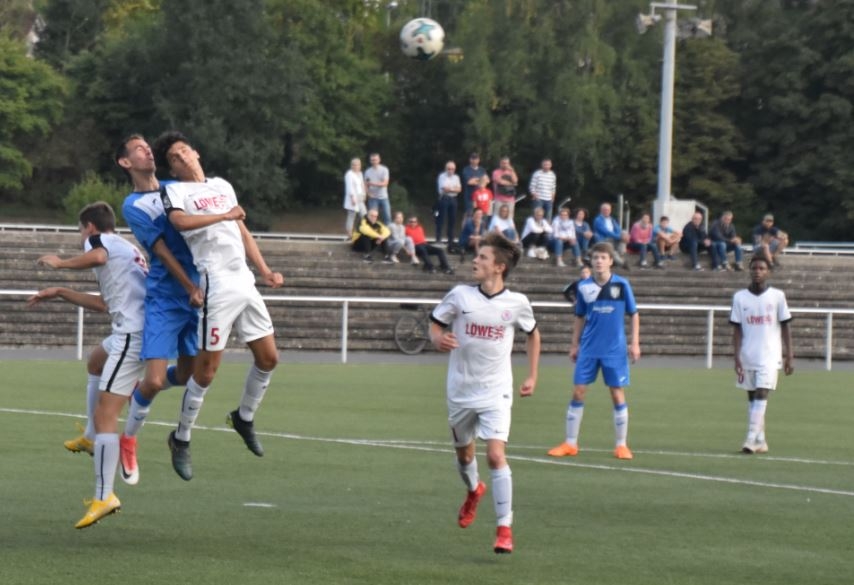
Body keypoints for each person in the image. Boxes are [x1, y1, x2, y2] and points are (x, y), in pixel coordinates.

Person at [154, 130, 284, 481]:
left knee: (269, 358)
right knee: (207, 371)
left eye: (184, 151)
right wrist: (223, 216)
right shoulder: (176, 191)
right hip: (217, 283)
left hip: (244, 280)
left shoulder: (222, 185)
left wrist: (265, 270)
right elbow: (179, 222)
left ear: (196, 153)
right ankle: (181, 438)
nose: (182, 158)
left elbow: (243, 231)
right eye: (174, 158)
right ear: (172, 169)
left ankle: (243, 417)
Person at [28, 202, 147, 528]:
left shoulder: (100, 243)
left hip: (133, 334)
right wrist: (60, 292)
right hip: (133, 329)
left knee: (106, 414)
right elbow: (105, 304)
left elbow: (97, 257)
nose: (81, 237)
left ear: (90, 227)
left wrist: (61, 263)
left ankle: (104, 496)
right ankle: (92, 436)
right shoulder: (126, 248)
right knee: (96, 361)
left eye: (81, 230)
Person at [430, 232, 540, 555]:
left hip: (496, 390)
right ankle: (474, 489)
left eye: (483, 258)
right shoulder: (460, 296)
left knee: (494, 455)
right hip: (461, 390)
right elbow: (435, 324)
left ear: (499, 267)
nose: (475, 261)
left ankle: (504, 528)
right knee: (465, 457)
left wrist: (532, 375)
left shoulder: (517, 304)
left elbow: (533, 335)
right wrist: (437, 339)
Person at [118, 134, 203, 486]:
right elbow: (162, 252)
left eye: (148, 147)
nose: (148, 151)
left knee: (187, 375)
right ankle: (128, 439)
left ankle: (138, 391)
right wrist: (189, 287)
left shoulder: (175, 187)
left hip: (198, 292)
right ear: (125, 162)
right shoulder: (132, 205)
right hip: (167, 296)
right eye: (139, 149)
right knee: (154, 381)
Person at [548, 241, 640, 461]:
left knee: (616, 393)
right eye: (596, 257)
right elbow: (579, 317)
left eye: (603, 258)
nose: (599, 261)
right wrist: (574, 344)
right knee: (578, 391)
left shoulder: (622, 285)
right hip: (589, 349)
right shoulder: (583, 287)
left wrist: (635, 343)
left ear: (611, 261)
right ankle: (570, 443)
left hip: (614, 350)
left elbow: (634, 314)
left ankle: (621, 445)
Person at [730, 255, 794, 454]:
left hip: (770, 356)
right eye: (754, 268)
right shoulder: (740, 297)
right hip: (748, 355)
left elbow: (785, 326)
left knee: (761, 393)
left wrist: (789, 355)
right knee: (752, 397)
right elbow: (737, 329)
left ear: (768, 272)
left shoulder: (777, 296)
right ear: (749, 271)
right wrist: (736, 356)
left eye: (761, 268)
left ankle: (750, 439)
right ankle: (761, 440)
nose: (757, 271)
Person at [592, 202, 629, 269]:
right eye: (605, 210)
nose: (607, 211)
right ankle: (622, 263)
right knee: (612, 250)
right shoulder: (598, 220)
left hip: (614, 238)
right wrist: (619, 237)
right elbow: (606, 232)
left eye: (608, 210)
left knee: (624, 233)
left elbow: (618, 229)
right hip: (604, 239)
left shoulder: (612, 219)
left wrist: (623, 236)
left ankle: (619, 259)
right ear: (601, 210)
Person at [435, 160, 461, 246]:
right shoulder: (442, 176)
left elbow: (459, 189)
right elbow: (444, 189)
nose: (450, 171)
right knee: (441, 219)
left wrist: (450, 189)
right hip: (444, 198)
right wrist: (454, 189)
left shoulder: (456, 177)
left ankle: (450, 240)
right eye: (449, 169)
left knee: (452, 220)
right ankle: (438, 239)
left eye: (452, 169)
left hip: (453, 199)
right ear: (446, 169)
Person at [364, 152, 391, 225]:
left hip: (384, 197)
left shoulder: (384, 170)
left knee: (387, 217)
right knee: (372, 218)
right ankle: (372, 231)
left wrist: (372, 183)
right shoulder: (367, 172)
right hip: (373, 198)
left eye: (375, 160)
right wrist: (368, 194)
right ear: (370, 161)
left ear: (379, 160)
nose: (374, 161)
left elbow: (385, 183)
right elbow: (365, 184)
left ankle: (387, 232)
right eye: (372, 160)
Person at [343, 157, 367, 238]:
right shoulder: (349, 174)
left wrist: (364, 194)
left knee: (364, 215)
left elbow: (362, 184)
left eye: (358, 165)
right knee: (351, 216)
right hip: (353, 198)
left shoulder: (360, 173)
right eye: (355, 165)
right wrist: (352, 197)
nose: (356, 166)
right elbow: (349, 187)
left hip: (360, 197)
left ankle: (364, 231)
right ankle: (349, 234)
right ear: (352, 166)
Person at [461, 152, 488, 219]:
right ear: (470, 160)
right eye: (472, 158)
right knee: (469, 214)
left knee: (480, 215)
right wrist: (481, 180)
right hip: (470, 197)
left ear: (478, 160)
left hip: (480, 196)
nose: (474, 160)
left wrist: (475, 179)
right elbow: (469, 182)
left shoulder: (482, 169)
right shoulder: (466, 169)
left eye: (476, 159)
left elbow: (487, 180)